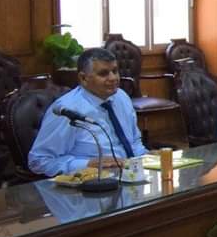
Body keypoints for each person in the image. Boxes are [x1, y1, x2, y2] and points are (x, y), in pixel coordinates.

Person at [29, 48, 149, 176]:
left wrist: (147, 157)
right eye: (103, 74)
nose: (113, 78)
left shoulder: (121, 97)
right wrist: (86, 165)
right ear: (83, 78)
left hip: (130, 175)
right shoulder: (67, 110)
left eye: (115, 71)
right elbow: (39, 161)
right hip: (91, 181)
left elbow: (134, 142)